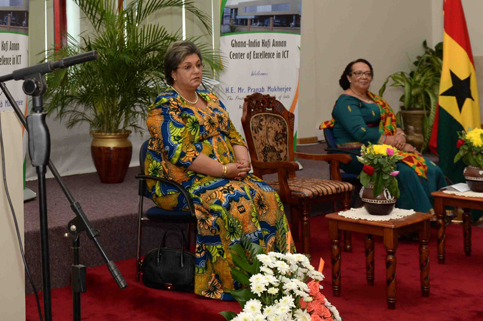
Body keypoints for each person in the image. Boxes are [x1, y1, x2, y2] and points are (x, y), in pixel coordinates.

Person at [144, 40, 291, 299]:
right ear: (173, 73)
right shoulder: (165, 106)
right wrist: (225, 170)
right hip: (180, 183)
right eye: (187, 66)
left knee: (267, 194)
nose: (196, 71)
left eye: (198, 65)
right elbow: (181, 154)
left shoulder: (211, 99)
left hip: (225, 173)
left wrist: (242, 163)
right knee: (232, 201)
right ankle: (234, 285)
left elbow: (234, 136)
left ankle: (275, 275)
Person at [321, 58, 447, 213]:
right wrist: (394, 142)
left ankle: (439, 213)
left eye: (368, 73)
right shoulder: (345, 102)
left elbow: (393, 122)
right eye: (358, 73)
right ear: (349, 77)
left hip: (384, 150)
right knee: (405, 170)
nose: (364, 77)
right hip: (357, 154)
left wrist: (400, 136)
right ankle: (412, 217)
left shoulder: (375, 100)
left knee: (427, 165)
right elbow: (361, 133)